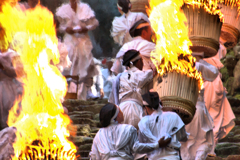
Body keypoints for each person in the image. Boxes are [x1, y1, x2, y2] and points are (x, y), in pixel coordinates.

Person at [89, 103, 171, 160]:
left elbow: (94, 156)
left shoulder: (99, 134)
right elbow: (137, 148)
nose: (122, 112)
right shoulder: (129, 129)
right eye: (120, 110)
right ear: (118, 115)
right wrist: (157, 145)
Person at [56, 0, 99, 100]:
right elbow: (59, 26)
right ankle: (66, 91)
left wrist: (86, 28)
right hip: (70, 42)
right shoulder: (63, 9)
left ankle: (88, 91)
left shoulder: (85, 7)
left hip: (83, 41)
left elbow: (94, 23)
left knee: (86, 65)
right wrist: (66, 29)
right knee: (67, 65)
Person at [180, 52, 219, 160]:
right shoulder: (197, 66)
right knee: (204, 141)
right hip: (198, 110)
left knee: (185, 144)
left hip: (182, 112)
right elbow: (214, 72)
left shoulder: (174, 68)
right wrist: (200, 60)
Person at [138, 91, 188, 160]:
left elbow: (141, 146)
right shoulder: (174, 116)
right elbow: (183, 138)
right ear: (160, 104)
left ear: (147, 108)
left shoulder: (143, 122)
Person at [203, 55, 235, 156]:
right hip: (213, 94)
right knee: (213, 124)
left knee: (209, 123)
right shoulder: (213, 72)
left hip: (209, 94)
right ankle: (209, 151)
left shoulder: (205, 66)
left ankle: (208, 151)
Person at [118, 49, 153, 129]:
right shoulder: (141, 74)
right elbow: (152, 73)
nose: (143, 63)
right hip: (135, 110)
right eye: (141, 59)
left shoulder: (120, 77)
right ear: (138, 62)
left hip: (121, 110)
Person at [0, 49, 23, 130]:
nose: (19, 65)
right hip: (8, 130)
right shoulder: (3, 85)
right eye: (13, 62)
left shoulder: (27, 81)